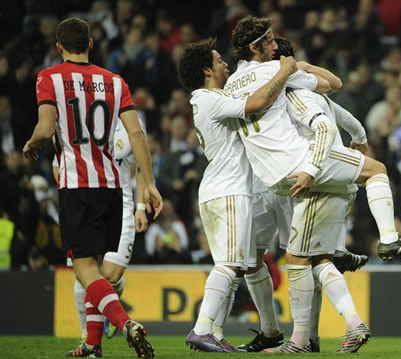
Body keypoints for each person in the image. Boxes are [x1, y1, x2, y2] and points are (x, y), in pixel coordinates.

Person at [227, 17, 401, 352]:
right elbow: (333, 87)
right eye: (271, 42)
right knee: (376, 171)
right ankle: (387, 241)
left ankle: (303, 339)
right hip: (308, 167)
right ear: (258, 47)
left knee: (302, 259)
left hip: (273, 178)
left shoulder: (234, 83)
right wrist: (296, 68)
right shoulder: (287, 83)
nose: (276, 47)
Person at [23, 18, 162, 358]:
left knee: (85, 271)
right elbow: (137, 134)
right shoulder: (115, 81)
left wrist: (30, 144)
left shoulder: (49, 77)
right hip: (112, 187)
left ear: (59, 47)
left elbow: (44, 128)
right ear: (90, 43)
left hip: (78, 185)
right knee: (97, 269)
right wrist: (150, 184)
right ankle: (93, 344)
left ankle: (126, 323)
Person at [177, 37, 305, 353]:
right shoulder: (209, 99)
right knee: (229, 265)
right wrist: (284, 70)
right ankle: (202, 328)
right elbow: (258, 103)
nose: (225, 64)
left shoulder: (211, 99)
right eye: (219, 60)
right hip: (229, 190)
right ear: (207, 70)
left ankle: (217, 332)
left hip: (221, 189)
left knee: (239, 266)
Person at [55, 118, 149, 345]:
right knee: (84, 273)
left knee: (111, 275)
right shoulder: (79, 119)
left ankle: (110, 297)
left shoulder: (131, 124)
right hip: (87, 204)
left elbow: (141, 167)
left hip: (122, 205)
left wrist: (140, 207)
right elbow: (57, 164)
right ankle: (86, 336)